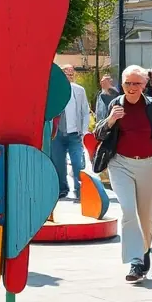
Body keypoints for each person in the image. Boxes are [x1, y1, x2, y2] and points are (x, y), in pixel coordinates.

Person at [94, 65, 152, 284]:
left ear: (144, 85)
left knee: (145, 216)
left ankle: (144, 251)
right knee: (129, 211)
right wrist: (111, 119)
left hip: (149, 164)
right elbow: (98, 133)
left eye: (136, 83)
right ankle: (136, 261)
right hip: (120, 164)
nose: (131, 87)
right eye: (127, 83)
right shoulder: (115, 104)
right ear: (122, 84)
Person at [51, 66, 90, 202]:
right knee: (58, 164)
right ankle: (62, 190)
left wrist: (84, 131)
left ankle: (79, 190)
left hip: (75, 134)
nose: (69, 76)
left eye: (71, 74)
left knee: (77, 162)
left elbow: (85, 112)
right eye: (66, 73)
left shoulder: (79, 90)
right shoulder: (53, 90)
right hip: (57, 134)